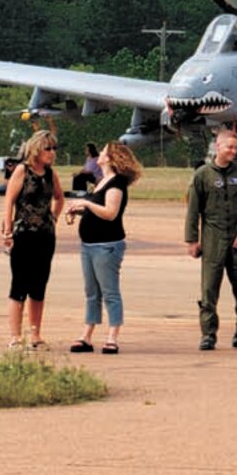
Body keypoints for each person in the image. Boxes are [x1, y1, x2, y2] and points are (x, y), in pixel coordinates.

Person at [62, 141, 142, 353]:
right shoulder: (102, 181)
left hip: (106, 245)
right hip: (89, 245)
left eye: (105, 151)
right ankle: (87, 335)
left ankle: (112, 337)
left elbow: (110, 213)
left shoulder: (116, 184)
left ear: (111, 158)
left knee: (110, 292)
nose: (101, 153)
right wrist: (79, 210)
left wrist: (87, 204)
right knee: (91, 292)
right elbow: (97, 210)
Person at [186, 128, 237, 350]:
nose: (234, 151)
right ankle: (208, 334)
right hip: (212, 238)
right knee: (209, 289)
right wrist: (192, 239)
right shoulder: (203, 175)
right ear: (217, 147)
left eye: (236, 148)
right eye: (230, 147)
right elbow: (193, 209)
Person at [0, 130, 64, 350]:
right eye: (48, 148)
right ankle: (15, 336)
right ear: (37, 149)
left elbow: (59, 197)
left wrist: (53, 217)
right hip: (23, 234)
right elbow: (9, 201)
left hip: (45, 236)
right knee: (19, 284)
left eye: (54, 149)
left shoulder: (50, 174)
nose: (52, 153)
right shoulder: (22, 171)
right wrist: (7, 229)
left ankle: (35, 334)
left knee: (39, 286)